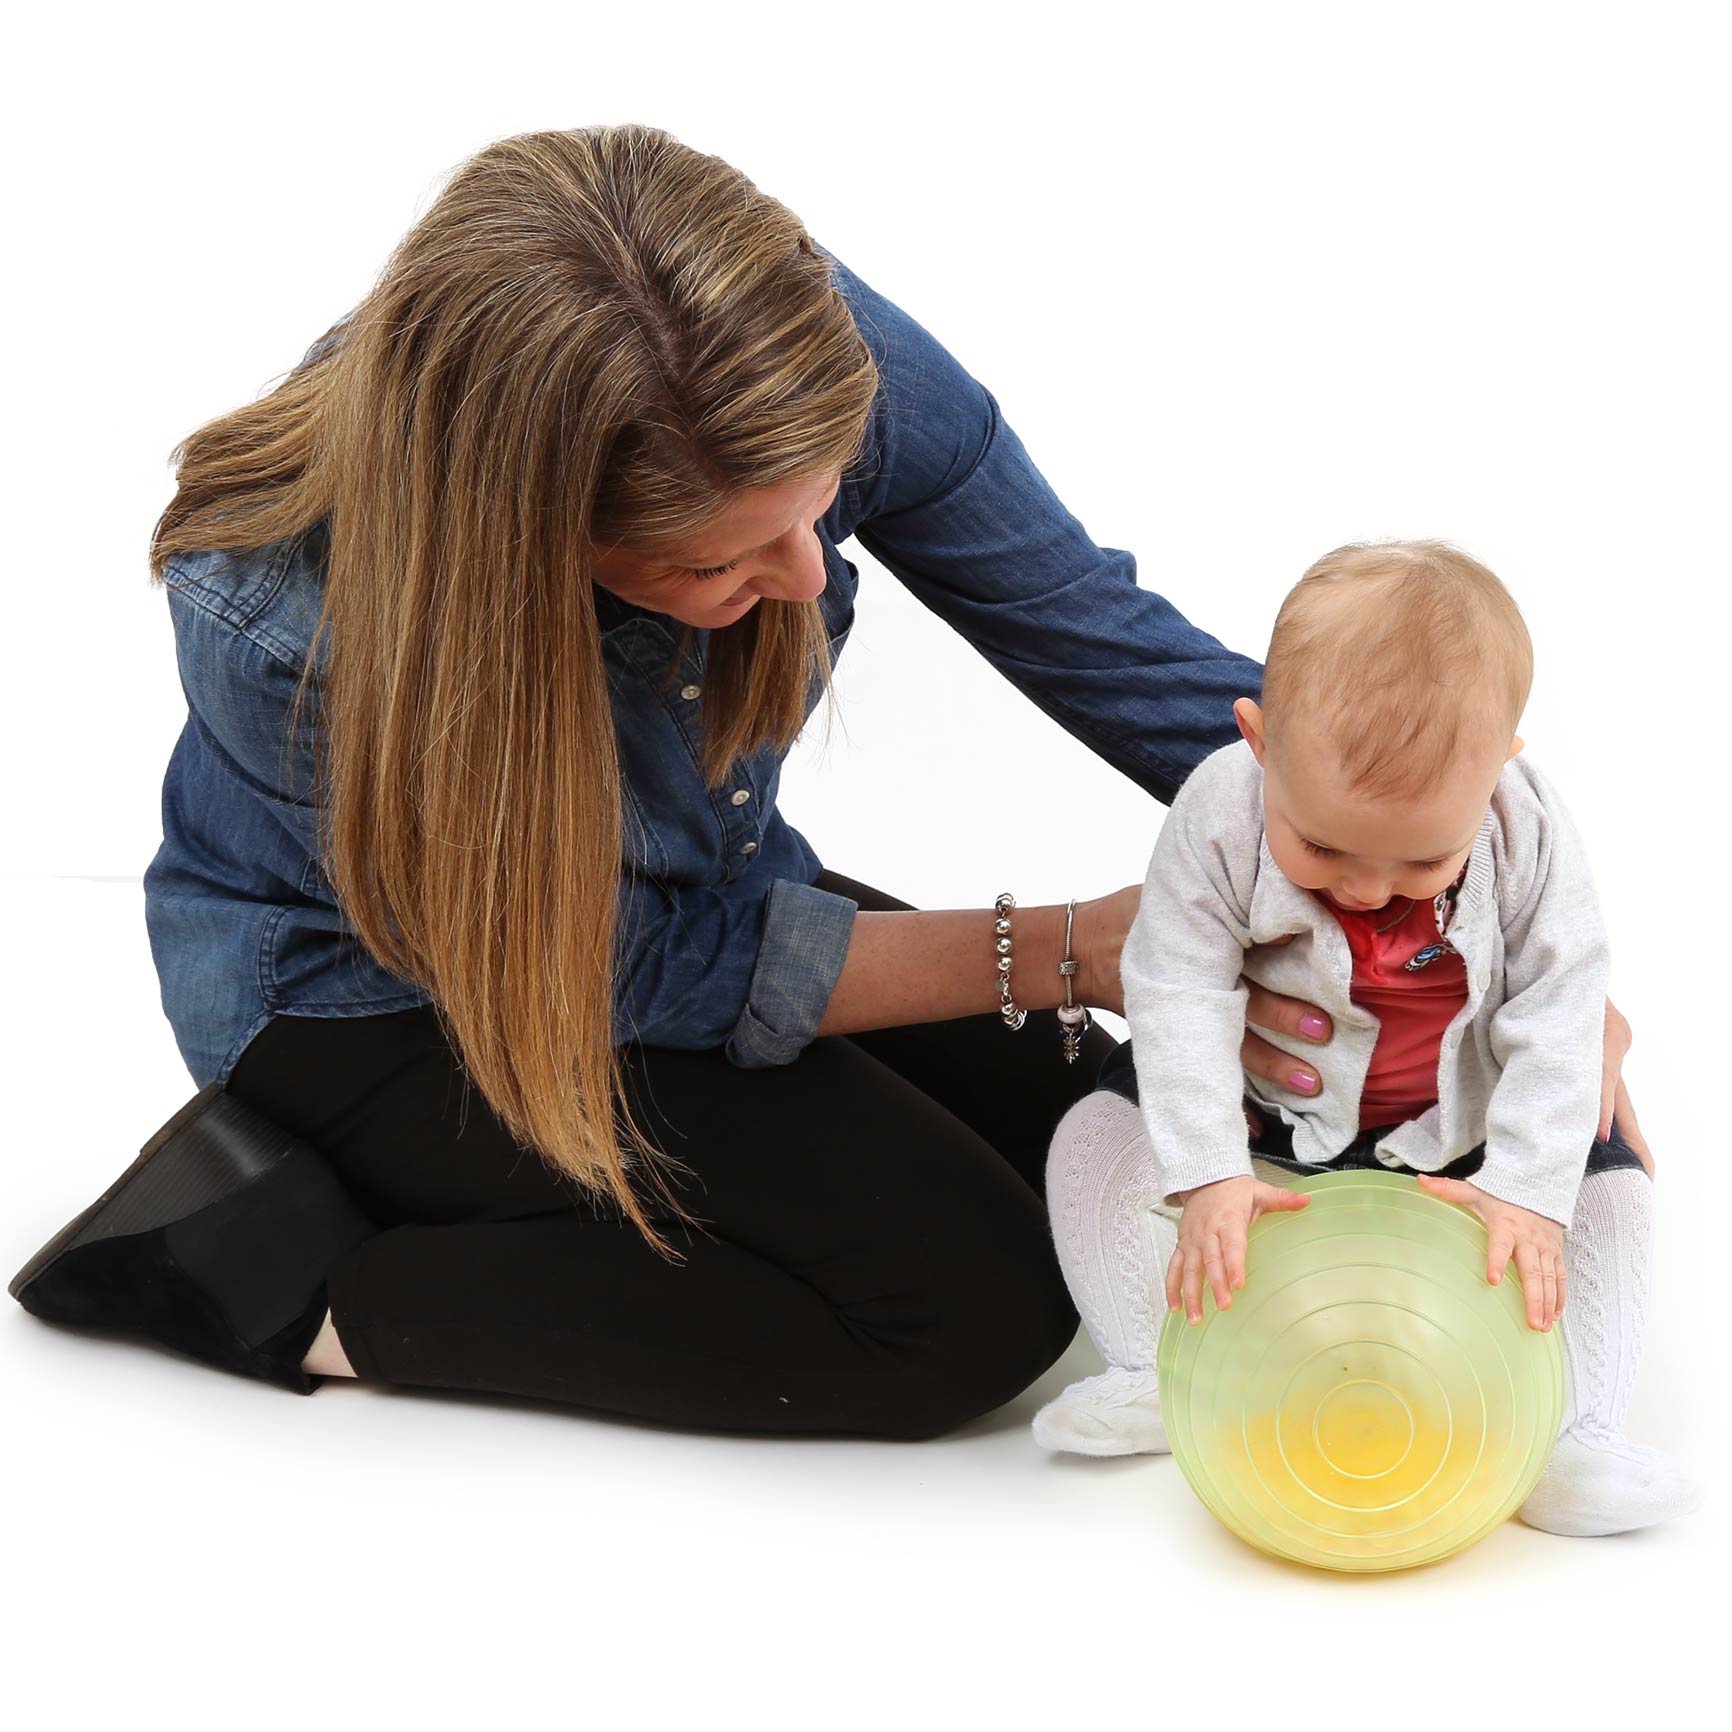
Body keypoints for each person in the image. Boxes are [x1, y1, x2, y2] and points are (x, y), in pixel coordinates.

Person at [10, 126, 1641, 1443]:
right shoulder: (298, 626)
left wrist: (1460, 890)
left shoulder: (786, 348)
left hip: (673, 911)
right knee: (964, 1311)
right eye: (726, 557)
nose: (807, 574)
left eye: (817, 509)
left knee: (1111, 1117)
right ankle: (286, 1280)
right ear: (538, 545)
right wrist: (1068, 941)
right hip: (375, 1001)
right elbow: (624, 974)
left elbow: (1099, 633)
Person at [1034, 541, 1698, 1536]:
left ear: (1498, 774)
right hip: (1269, 1120)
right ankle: (1145, 1367)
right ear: (1259, 743)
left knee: (1611, 1188)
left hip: (1462, 1131)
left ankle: (1570, 1432)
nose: (1364, 887)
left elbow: (1562, 1008)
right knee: (1095, 1136)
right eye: (1322, 846)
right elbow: (1175, 990)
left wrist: (1527, 1187)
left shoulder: (1529, 831)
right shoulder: (1218, 810)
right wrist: (1209, 1169)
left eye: (1422, 858)